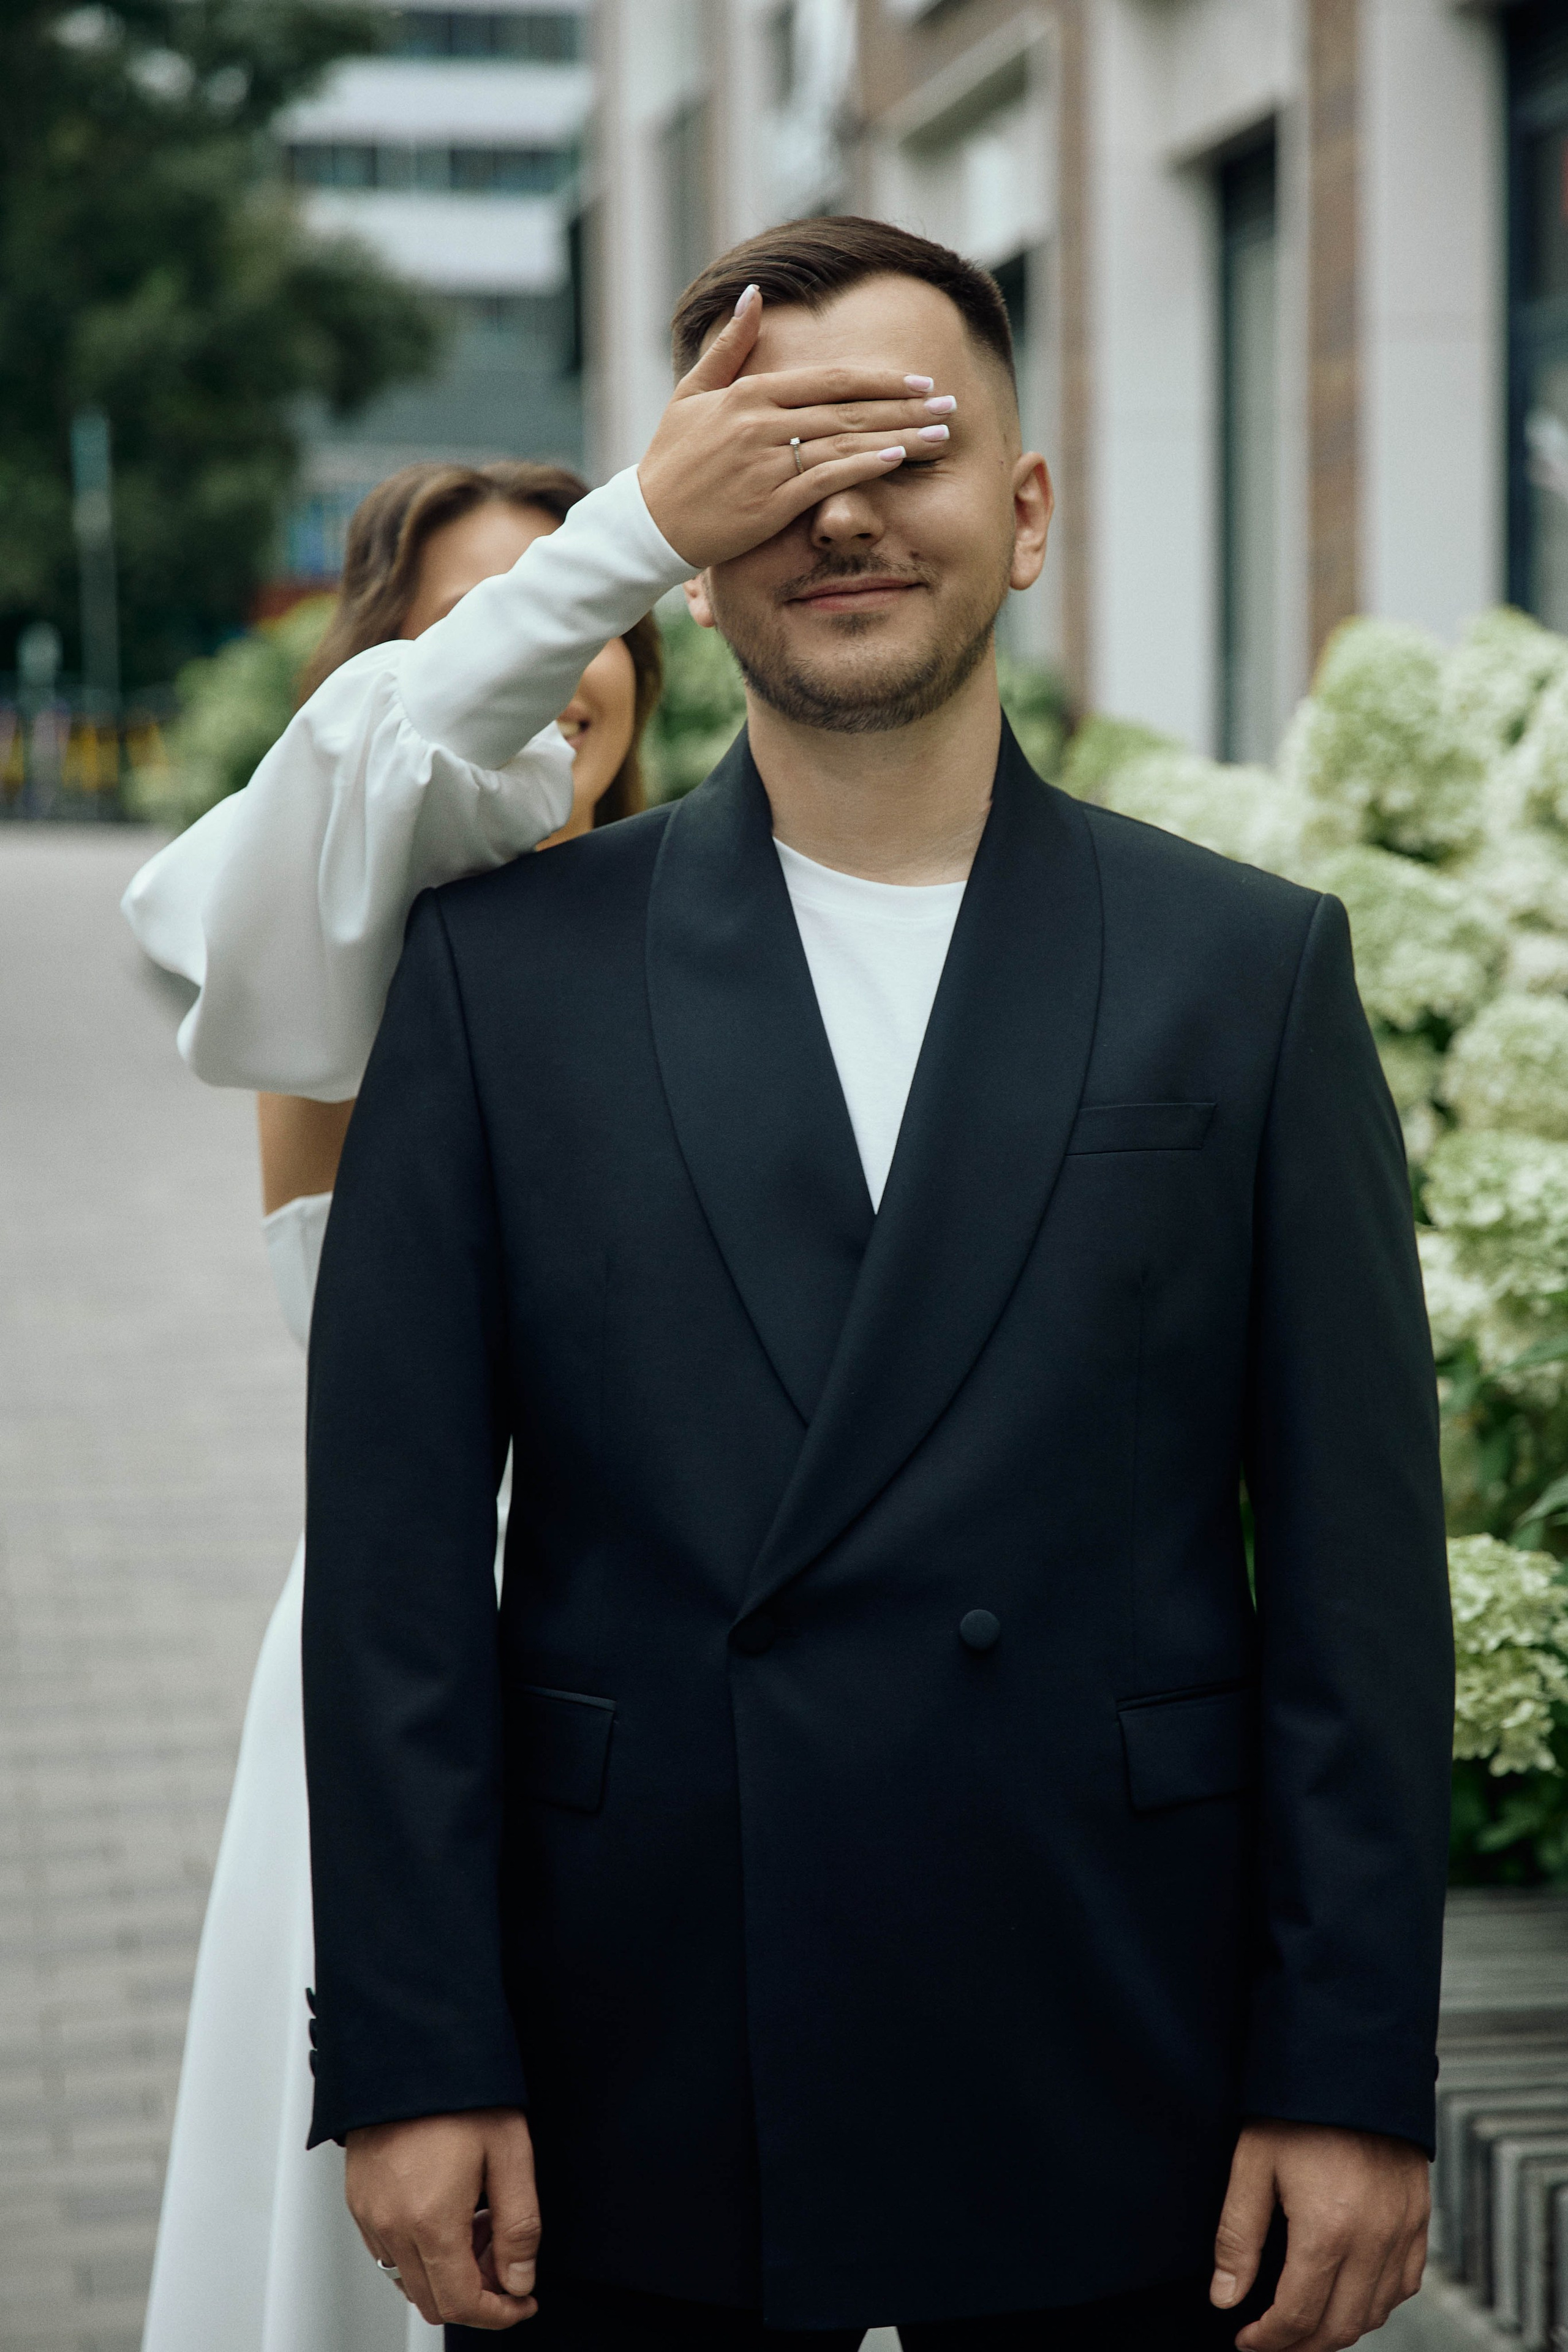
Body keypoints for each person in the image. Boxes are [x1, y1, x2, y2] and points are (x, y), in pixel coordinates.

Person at [305, 217, 1454, 2352]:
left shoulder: (1247, 969)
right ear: (693, 535)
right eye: (773, 451)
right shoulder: (497, 982)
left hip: (1124, 2069)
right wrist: (411, 2046)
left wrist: (1349, 2065)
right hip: (629, 2068)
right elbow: (388, 1574)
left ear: (1023, 516)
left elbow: (1361, 1585)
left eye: (906, 446)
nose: (840, 510)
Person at [124, 458, 665, 2352]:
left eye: (590, 623)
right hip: (426, 1661)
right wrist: (646, 518)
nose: (550, 665)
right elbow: (382, 772)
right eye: (472, 621)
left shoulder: (690, 927)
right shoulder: (327, 939)